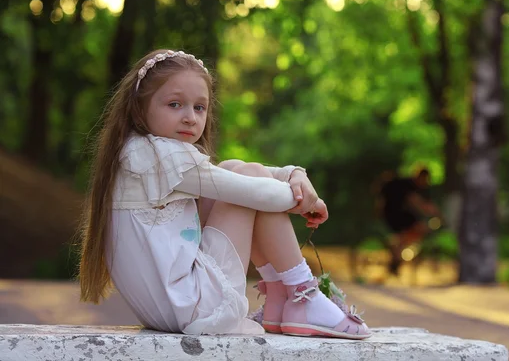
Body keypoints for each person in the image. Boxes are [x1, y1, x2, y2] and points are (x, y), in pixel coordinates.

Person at [78, 49, 370, 339]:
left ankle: (280, 300)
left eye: (199, 107)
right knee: (250, 179)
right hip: (194, 308)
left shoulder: (139, 152)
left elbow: (227, 176)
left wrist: (292, 174)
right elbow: (258, 192)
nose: (190, 118)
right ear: (140, 109)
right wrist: (305, 198)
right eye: (175, 104)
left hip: (172, 309)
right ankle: (302, 293)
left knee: (237, 169)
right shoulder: (160, 157)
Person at [378, 168, 441, 275]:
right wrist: (435, 214)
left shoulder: (413, 186)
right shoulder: (408, 185)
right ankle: (398, 251)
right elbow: (416, 202)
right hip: (395, 214)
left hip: (395, 215)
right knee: (420, 228)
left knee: (414, 233)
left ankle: (397, 250)